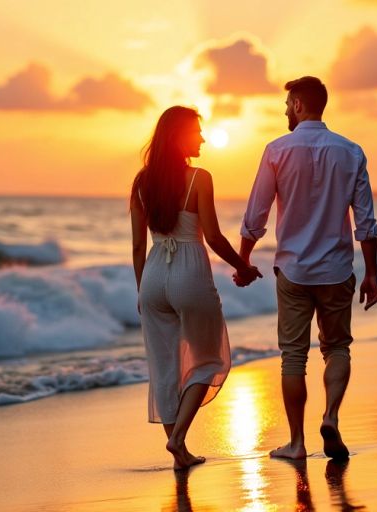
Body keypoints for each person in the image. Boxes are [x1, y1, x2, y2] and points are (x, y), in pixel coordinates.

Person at [235, 76, 377, 460]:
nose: (285, 111)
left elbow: (256, 214)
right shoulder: (351, 152)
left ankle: (297, 443)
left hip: (294, 271)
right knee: (337, 348)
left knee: (293, 356)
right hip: (336, 270)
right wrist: (372, 273)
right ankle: (330, 416)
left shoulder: (276, 150)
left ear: (299, 104)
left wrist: (243, 259)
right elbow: (365, 221)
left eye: (287, 104)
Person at [131, 105, 262, 470]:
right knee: (208, 359)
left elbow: (139, 246)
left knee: (164, 365)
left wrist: (142, 290)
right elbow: (215, 237)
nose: (203, 138)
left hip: (154, 274)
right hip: (189, 270)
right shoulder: (199, 178)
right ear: (178, 137)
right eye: (196, 132)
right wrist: (244, 267)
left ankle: (180, 453)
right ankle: (177, 441)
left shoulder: (141, 183)